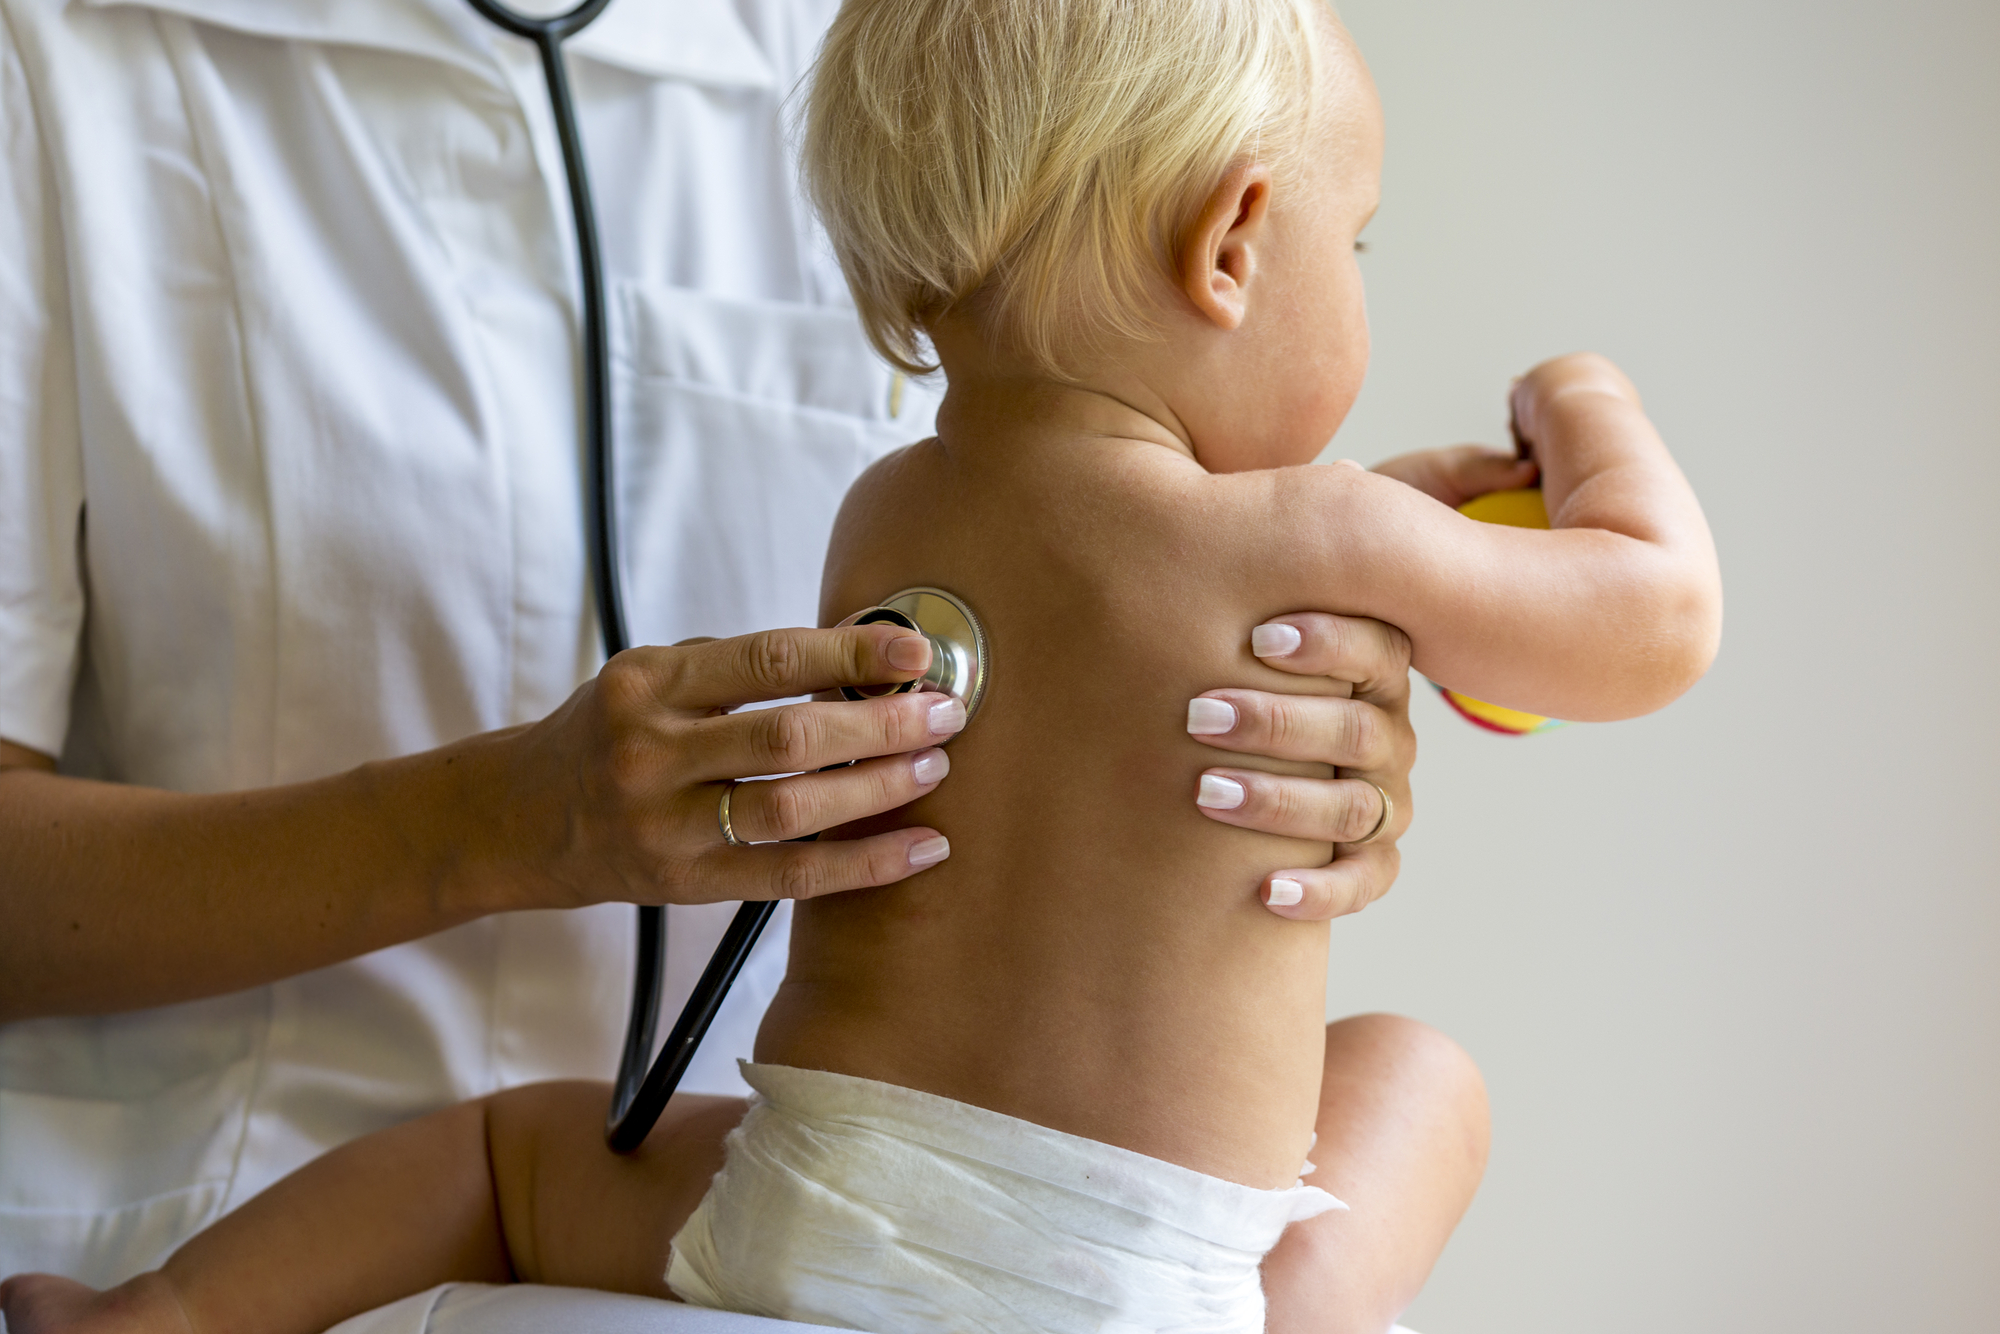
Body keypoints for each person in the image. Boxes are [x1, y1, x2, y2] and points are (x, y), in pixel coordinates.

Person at [0, 1, 1722, 1331]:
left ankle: (161, 1312)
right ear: (1233, 239)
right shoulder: (1325, 534)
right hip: (1113, 1282)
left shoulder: (899, 494)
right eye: (1354, 245)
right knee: (1425, 1075)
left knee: (505, 1156)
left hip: (778, 1222)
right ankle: (1280, 1311)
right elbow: (1656, 619)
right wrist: (1583, 402)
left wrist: (1354, 728)